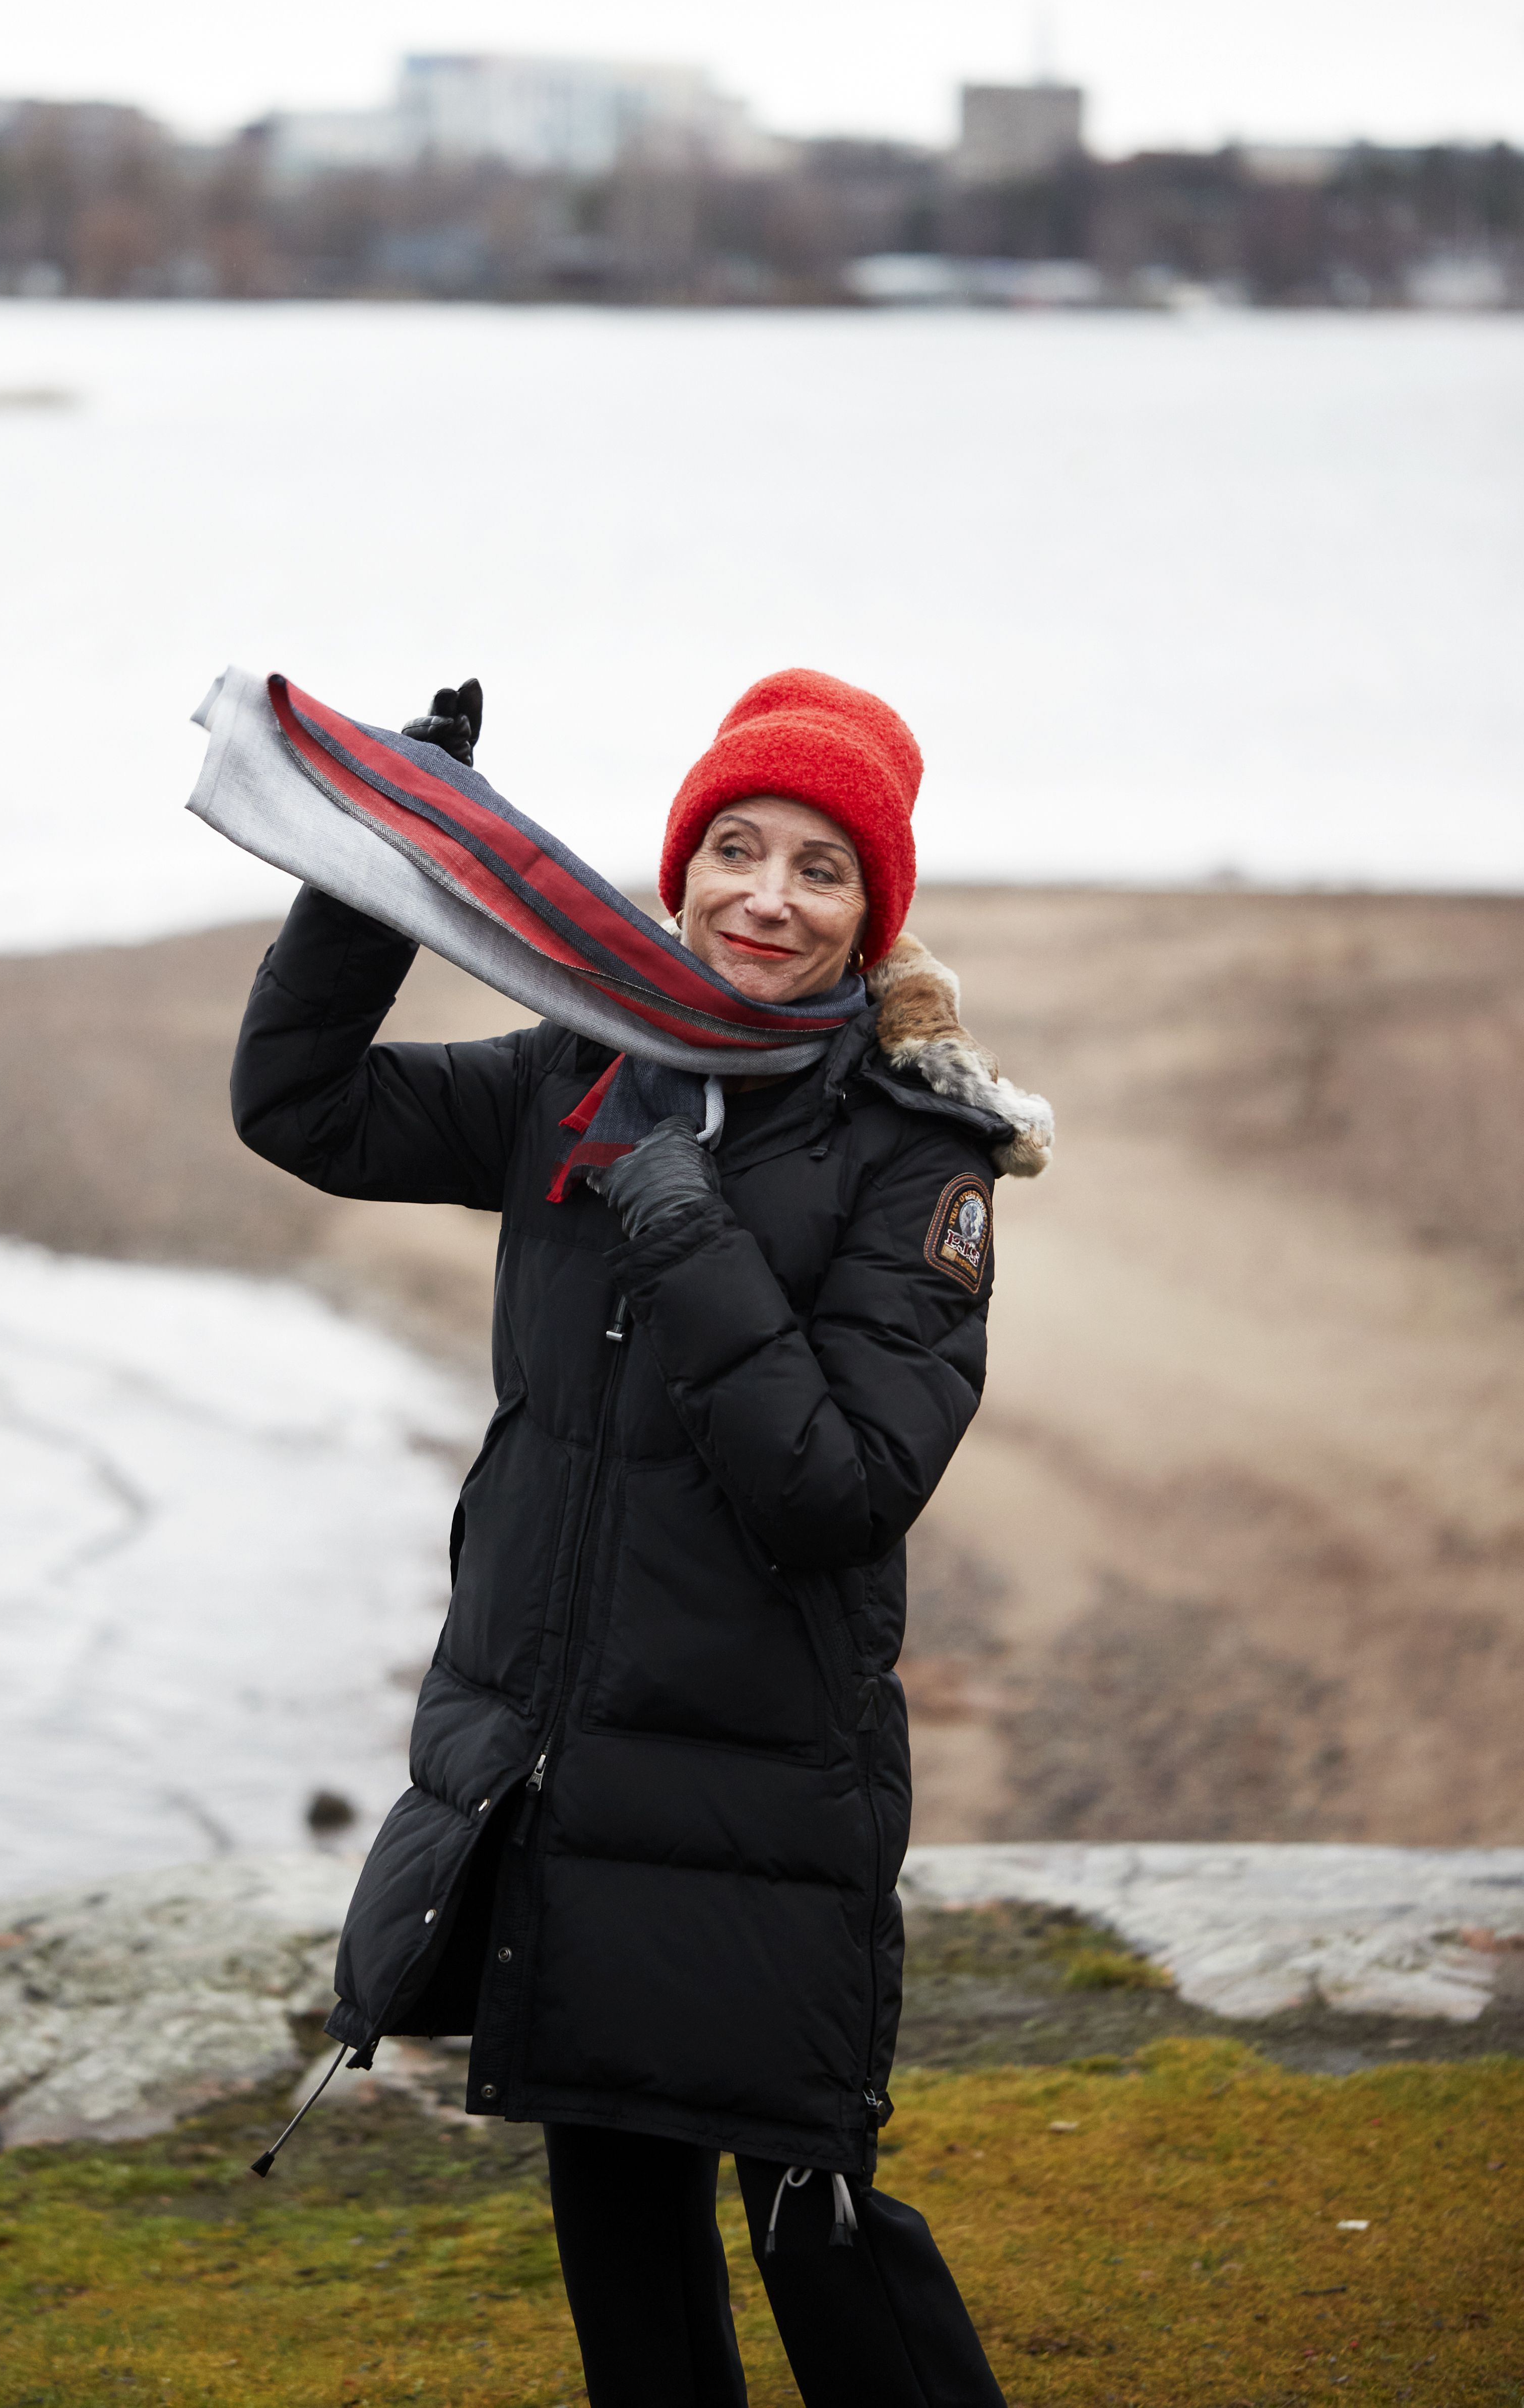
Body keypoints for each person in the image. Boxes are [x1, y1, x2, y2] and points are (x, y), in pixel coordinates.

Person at [231, 668, 1046, 2408]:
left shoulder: (923, 1161)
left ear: (871, 910)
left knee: (817, 2225)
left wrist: (669, 1198)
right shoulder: (573, 1067)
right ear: (677, 872)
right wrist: (373, 868)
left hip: (765, 1783)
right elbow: (303, 1112)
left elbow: (834, 1489)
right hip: (559, 1762)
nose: (765, 895)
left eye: (818, 869)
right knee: (621, 2239)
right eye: (732, 849)